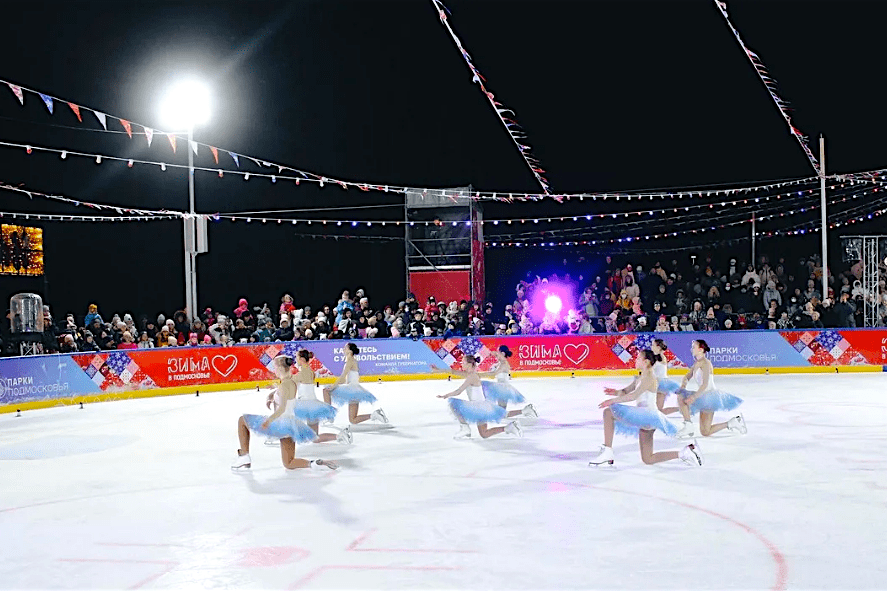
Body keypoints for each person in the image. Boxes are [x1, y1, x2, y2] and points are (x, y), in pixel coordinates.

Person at [589, 350, 702, 467]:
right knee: (648, 458)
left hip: (647, 415)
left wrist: (612, 401)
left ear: (646, 361)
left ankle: (608, 451)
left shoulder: (649, 377)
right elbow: (626, 391)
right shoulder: (641, 376)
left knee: (608, 412)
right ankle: (685, 453)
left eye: (638, 358)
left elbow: (633, 395)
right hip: (646, 418)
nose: (635, 360)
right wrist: (615, 392)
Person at [232, 355, 338, 471]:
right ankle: (314, 464)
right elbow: (285, 396)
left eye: (275, 367)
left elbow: (282, 408)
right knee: (289, 462)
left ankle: (244, 455)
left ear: (281, 368)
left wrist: (269, 420)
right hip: (290, 424)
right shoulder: (291, 382)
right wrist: (273, 396)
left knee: (242, 420)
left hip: (280, 422)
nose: (274, 370)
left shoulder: (284, 385)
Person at [436, 355, 522, 440]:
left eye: (463, 362)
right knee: (484, 434)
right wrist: (438, 370)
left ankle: (465, 428)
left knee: (454, 404)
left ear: (469, 364)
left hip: (479, 407)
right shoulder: (470, 374)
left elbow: (459, 391)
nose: (461, 364)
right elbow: (453, 372)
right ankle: (509, 428)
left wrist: (445, 395)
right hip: (479, 407)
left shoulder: (472, 376)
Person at [675, 339, 747, 439]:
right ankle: (688, 425)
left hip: (709, 397)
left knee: (705, 431)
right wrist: (682, 386)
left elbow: (705, 384)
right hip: (702, 395)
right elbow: (687, 377)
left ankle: (732, 423)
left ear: (700, 349)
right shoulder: (697, 363)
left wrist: (694, 397)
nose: (691, 349)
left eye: (693, 347)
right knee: (681, 395)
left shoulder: (706, 363)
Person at [292, 350, 352, 444]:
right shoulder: (311, 372)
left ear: (302, 359)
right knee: (314, 437)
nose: (295, 360)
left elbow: (288, 384)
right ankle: (340, 435)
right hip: (313, 405)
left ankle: (278, 436)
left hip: (306, 406)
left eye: (297, 357)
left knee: (290, 420)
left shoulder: (301, 374)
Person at [322, 343, 389, 425]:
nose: (343, 349)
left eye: (345, 348)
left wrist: (332, 387)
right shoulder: (351, 360)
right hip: (354, 389)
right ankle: (374, 415)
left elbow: (342, 377)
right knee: (353, 420)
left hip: (352, 389)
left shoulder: (350, 360)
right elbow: (345, 379)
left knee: (326, 391)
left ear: (350, 351)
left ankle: (330, 416)